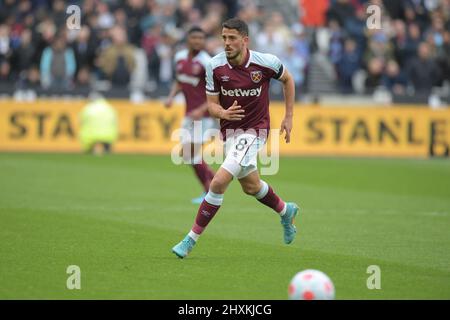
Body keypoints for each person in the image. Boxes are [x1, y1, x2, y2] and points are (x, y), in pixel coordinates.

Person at [172, 18, 299, 258]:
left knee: (218, 182)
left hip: (256, 130)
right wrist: (223, 112)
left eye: (232, 38)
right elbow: (211, 105)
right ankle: (286, 211)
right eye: (224, 38)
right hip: (230, 132)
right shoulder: (214, 66)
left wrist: (289, 116)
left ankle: (190, 240)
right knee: (251, 187)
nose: (227, 43)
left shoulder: (266, 62)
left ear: (245, 40)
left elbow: (288, 80)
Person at [164, 26, 217, 204]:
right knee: (187, 154)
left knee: (190, 153)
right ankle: (215, 179)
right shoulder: (179, 58)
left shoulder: (207, 62)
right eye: (195, 38)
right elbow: (180, 81)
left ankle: (209, 190)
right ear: (188, 39)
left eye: (201, 39)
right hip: (189, 114)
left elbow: (217, 92)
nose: (198, 41)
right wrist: (171, 97)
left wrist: (201, 110)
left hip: (204, 116)